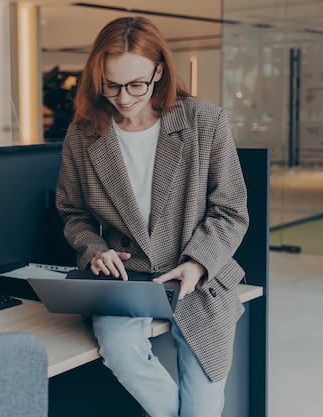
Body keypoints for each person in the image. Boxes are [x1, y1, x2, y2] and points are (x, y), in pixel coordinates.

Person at [55, 16, 249, 417]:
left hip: (199, 279)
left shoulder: (204, 122)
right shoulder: (83, 132)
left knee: (202, 406)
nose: (123, 98)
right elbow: (73, 212)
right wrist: (94, 250)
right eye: (111, 84)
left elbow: (231, 209)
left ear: (159, 71)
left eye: (136, 84)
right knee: (120, 351)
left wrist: (197, 263)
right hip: (127, 280)